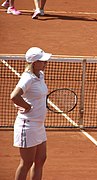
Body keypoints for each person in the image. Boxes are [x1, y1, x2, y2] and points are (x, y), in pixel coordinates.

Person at [10, 47, 52, 180]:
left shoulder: (40, 75)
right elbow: (14, 96)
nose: (46, 63)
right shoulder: (27, 78)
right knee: (26, 163)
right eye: (43, 61)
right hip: (27, 126)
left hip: (39, 126)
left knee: (40, 160)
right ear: (34, 63)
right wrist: (26, 106)